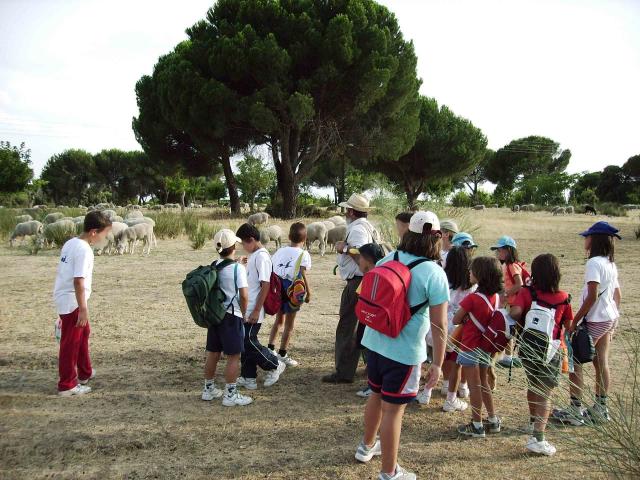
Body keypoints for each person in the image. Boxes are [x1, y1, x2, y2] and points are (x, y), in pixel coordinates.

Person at [355, 211, 449, 480]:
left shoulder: (389, 257)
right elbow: (439, 325)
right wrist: (438, 363)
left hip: (373, 341)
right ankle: (389, 472)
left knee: (375, 394)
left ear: (408, 233)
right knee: (393, 411)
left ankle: (366, 446)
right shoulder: (434, 273)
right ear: (437, 238)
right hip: (404, 352)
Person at [510, 253, 573, 455]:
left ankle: (532, 421)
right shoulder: (564, 298)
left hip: (528, 348)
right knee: (545, 392)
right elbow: (569, 326)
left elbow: (515, 313)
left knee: (533, 385)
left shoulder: (528, 293)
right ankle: (538, 437)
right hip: (551, 351)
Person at [562, 222, 621, 424]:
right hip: (609, 317)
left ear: (594, 240)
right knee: (601, 363)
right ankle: (600, 408)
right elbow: (617, 294)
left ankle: (575, 410)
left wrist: (574, 323)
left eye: (587, 237)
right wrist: (615, 319)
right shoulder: (610, 263)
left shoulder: (594, 263)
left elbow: (592, 296)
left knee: (575, 363)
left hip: (594, 319)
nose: (584, 240)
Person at [54, 211, 112, 396]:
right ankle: (67, 384)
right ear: (94, 232)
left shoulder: (71, 243)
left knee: (83, 333)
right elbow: (78, 281)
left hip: (66, 298)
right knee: (71, 341)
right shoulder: (84, 250)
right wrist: (83, 309)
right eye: (105, 233)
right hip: (73, 301)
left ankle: (85, 372)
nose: (106, 237)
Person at [323, 193, 378, 384]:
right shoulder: (368, 227)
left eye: (348, 209)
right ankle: (369, 367)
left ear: (352, 211)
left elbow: (362, 253)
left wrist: (344, 249)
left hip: (358, 281)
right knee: (364, 325)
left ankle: (344, 372)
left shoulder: (357, 230)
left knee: (348, 325)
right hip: (365, 281)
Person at [416, 246, 475, 410]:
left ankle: (426, 392)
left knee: (437, 361)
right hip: (457, 330)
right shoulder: (470, 286)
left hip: (437, 327)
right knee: (455, 364)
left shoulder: (442, 280)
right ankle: (451, 397)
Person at [453, 256, 503, 438]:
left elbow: (456, 319)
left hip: (470, 345)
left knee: (474, 387)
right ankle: (492, 419)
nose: (469, 272)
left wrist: (466, 318)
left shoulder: (472, 298)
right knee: (484, 384)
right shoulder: (496, 297)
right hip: (486, 347)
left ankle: (476, 424)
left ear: (480, 275)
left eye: (472, 270)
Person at [201, 229, 253, 407]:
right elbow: (244, 296)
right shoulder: (237, 269)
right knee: (233, 356)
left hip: (215, 315)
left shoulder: (214, 263)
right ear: (233, 246)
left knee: (213, 353)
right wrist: (244, 313)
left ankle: (208, 390)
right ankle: (230, 394)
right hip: (232, 316)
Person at [235, 223, 285, 389]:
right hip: (246, 307)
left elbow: (265, 284)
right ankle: (248, 376)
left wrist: (257, 310)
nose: (242, 247)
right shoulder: (255, 255)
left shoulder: (262, 256)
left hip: (254, 308)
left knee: (248, 340)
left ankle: (274, 364)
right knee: (244, 342)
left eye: (243, 243)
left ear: (251, 240)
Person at [268, 222, 312, 367]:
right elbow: (303, 274)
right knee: (289, 325)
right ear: (305, 239)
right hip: (292, 291)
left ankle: (270, 349)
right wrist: (309, 292)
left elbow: (273, 268)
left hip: (279, 289)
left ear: (288, 237)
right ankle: (282, 353)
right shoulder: (304, 254)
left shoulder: (280, 251)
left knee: (278, 321)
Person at [351, 243, 386, 399]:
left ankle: (374, 386)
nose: (358, 261)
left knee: (372, 353)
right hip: (377, 322)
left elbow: (362, 297)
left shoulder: (372, 276)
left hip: (371, 322)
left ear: (368, 260)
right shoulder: (383, 273)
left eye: (360, 258)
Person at [491, 235, 525, 368]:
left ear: (508, 250)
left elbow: (519, 284)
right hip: (510, 302)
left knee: (509, 329)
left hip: (513, 303)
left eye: (500, 250)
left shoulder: (512, 265)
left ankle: (508, 358)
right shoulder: (507, 265)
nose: (498, 253)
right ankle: (507, 356)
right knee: (508, 329)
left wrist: (505, 294)